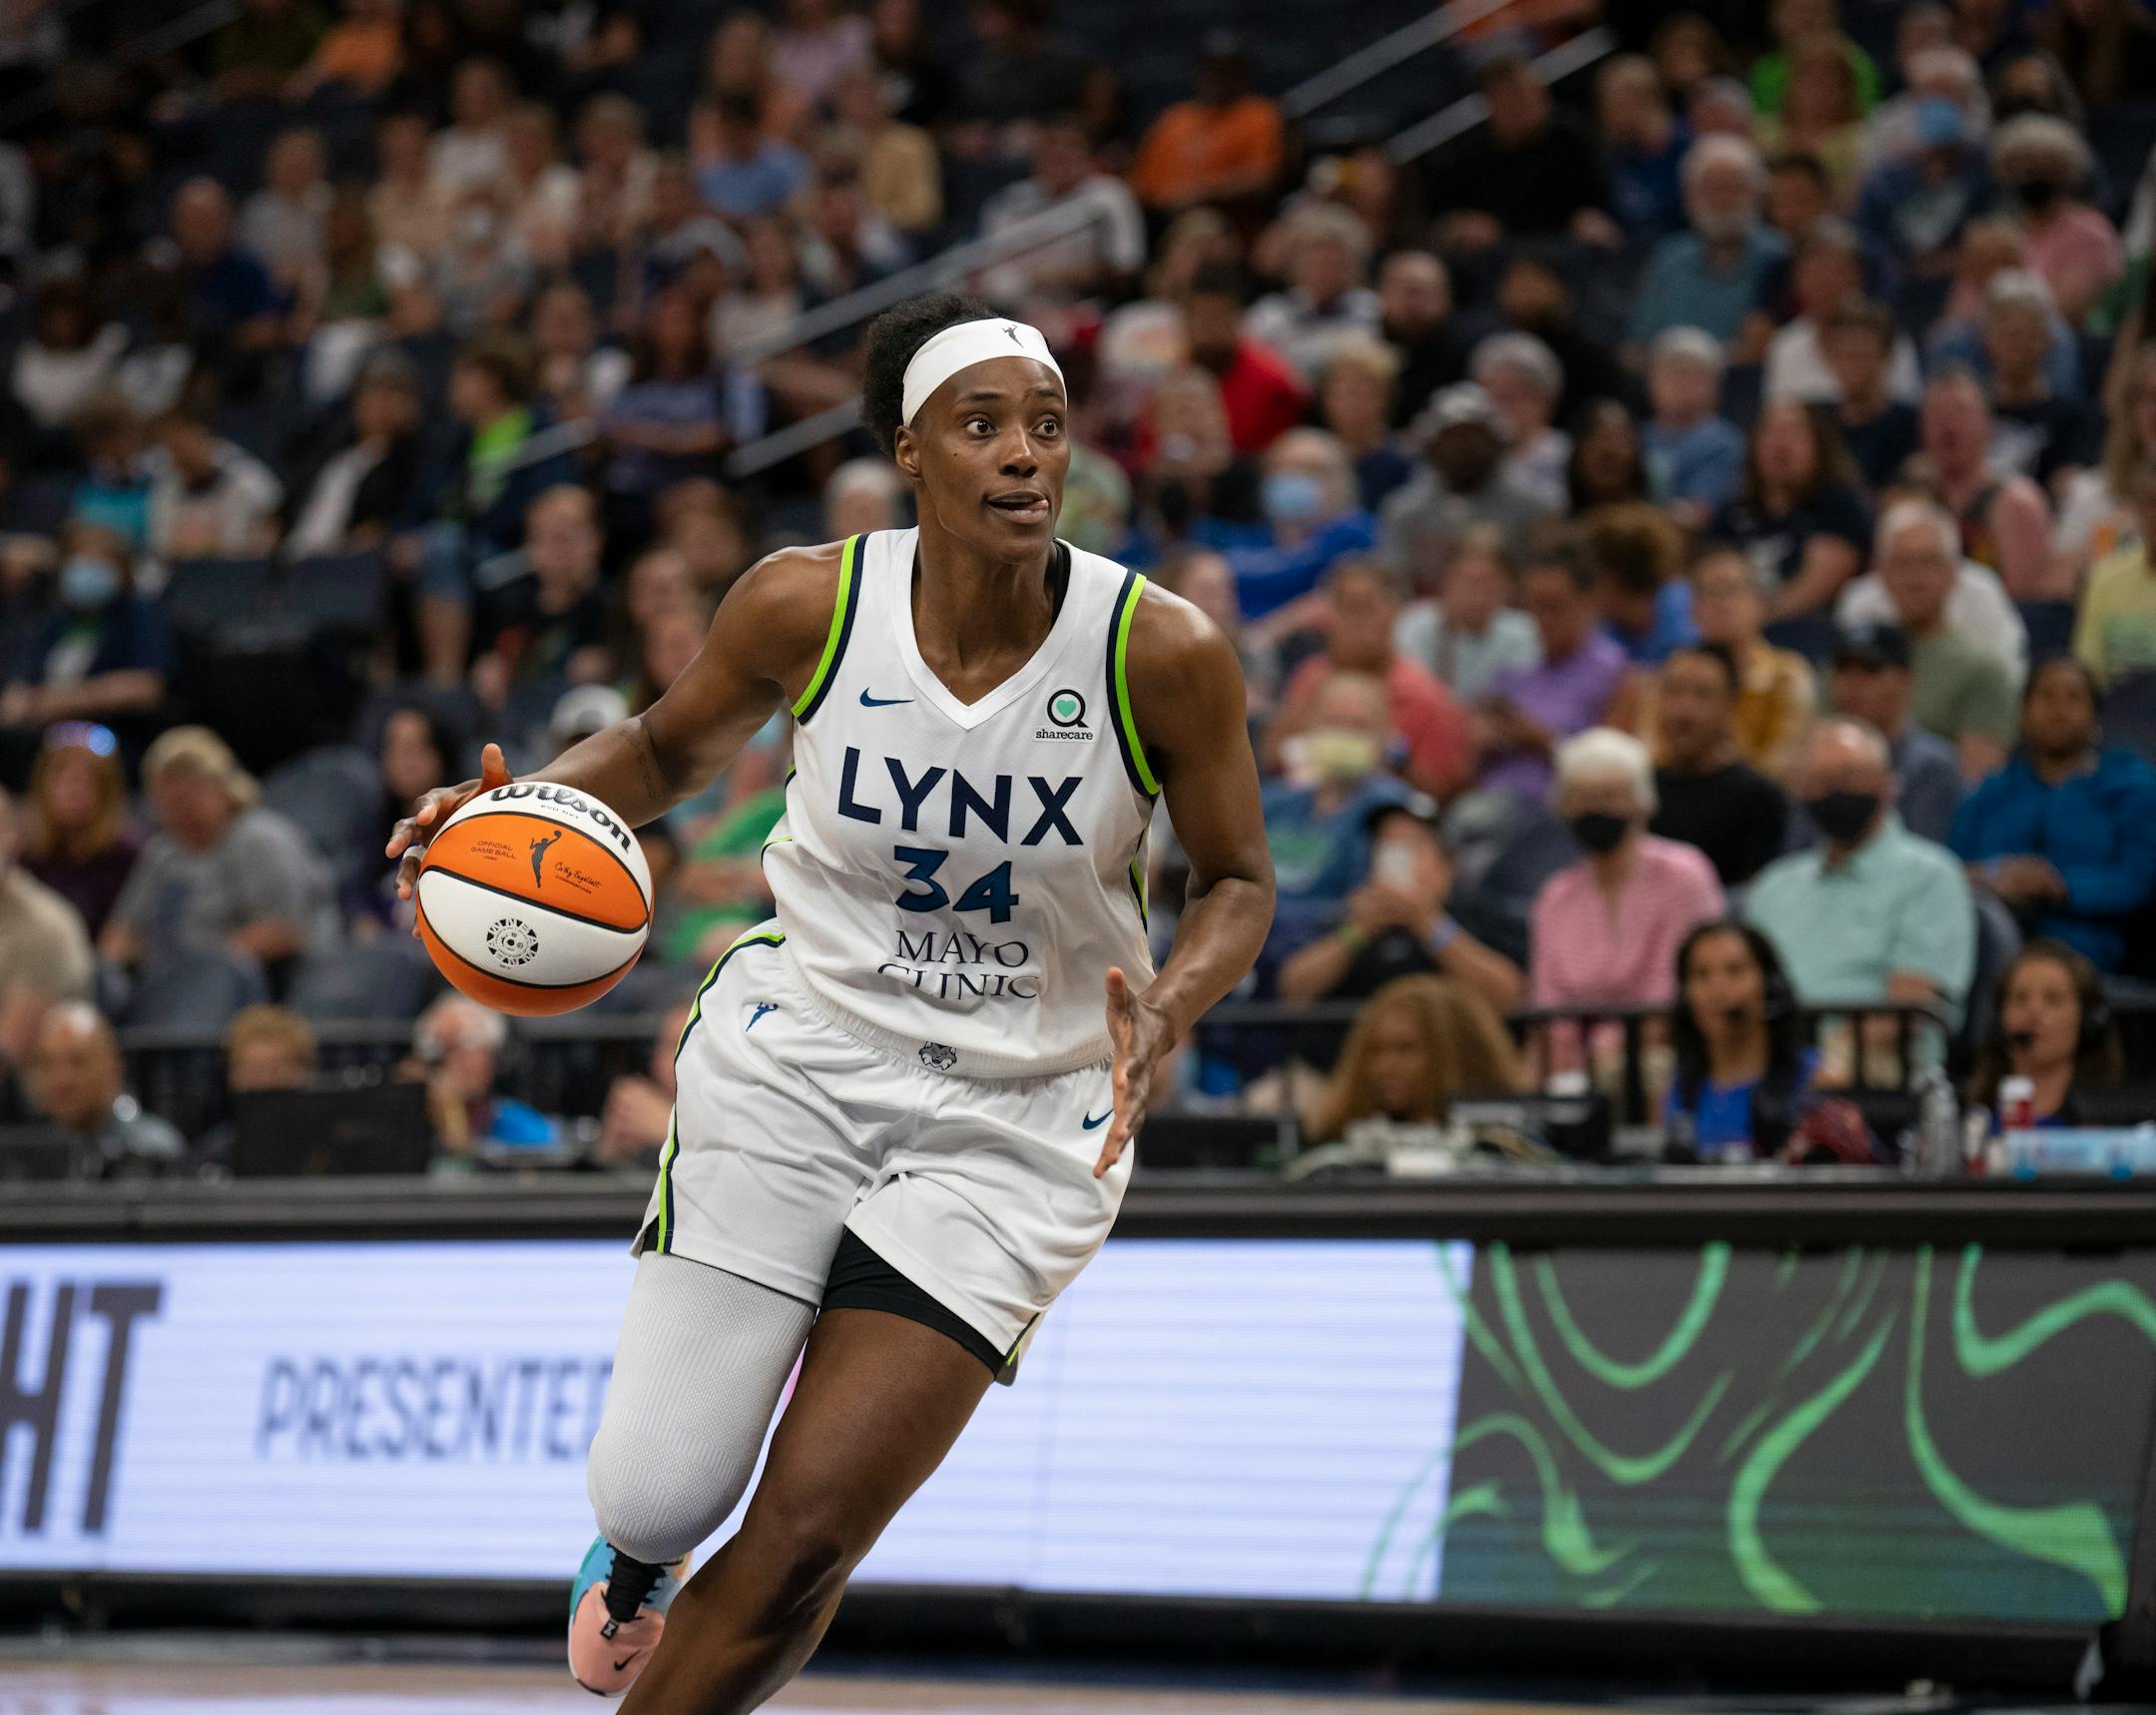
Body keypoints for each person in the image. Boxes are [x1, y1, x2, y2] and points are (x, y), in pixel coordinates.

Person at [385, 291, 1274, 1703]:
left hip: (1022, 1114)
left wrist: (1168, 1002)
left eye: (1044, 426)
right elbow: (671, 749)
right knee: (664, 1486)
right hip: (800, 1059)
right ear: (908, 450)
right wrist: (512, 812)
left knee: (806, 1540)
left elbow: (1238, 879)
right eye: (980, 425)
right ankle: (635, 1552)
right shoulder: (809, 600)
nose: (1023, 455)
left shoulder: (1158, 649)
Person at [1746, 719, 1977, 1037]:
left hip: (1877, 1073)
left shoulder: (1931, 876)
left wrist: (1825, 1070)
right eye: (1820, 782)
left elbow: (1911, 1007)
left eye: (1850, 777)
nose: (1835, 792)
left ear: (1888, 784)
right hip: (1777, 1068)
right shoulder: (1773, 887)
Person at [1950, 657, 2156, 974]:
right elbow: (1949, 868)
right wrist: (1994, 875)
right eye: (2046, 695)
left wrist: (2056, 885)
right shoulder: (1995, 790)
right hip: (1986, 937)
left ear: (2096, 716)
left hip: (2089, 946)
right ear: (2023, 713)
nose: (2059, 709)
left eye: (2074, 697)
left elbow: (2139, 878)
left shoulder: (2131, 786)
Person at [1529, 728, 1725, 1052]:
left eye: (1609, 796)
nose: (1595, 809)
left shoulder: (1684, 876)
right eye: (1582, 797)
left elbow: (1674, 991)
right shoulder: (1556, 895)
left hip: (1668, 1052)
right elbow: (1549, 1005)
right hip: (1572, 1066)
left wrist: (1608, 1055)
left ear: (1640, 802)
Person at [100, 727, 338, 977]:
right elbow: (122, 932)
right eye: (167, 798)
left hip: (266, 980)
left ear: (223, 788)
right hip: (172, 984)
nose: (179, 809)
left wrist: (203, 969)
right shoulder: (163, 852)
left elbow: (286, 931)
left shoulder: (259, 839)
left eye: (189, 796)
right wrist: (108, 969)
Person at [1276, 793, 1522, 1016]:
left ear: (1448, 865)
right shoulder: (1350, 921)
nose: (1397, 858)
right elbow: (1293, 990)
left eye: (1413, 846)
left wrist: (1430, 925)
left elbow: (1511, 997)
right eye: (1387, 845)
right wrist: (1359, 930)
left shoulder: (1475, 917)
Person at [1266, 560, 1471, 801]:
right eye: (1345, 609)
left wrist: (1385, 768)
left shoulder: (1425, 696)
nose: (1355, 623)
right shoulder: (1310, 677)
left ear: (1394, 613)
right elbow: (1273, 759)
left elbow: (1442, 791)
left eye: (1364, 609)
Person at [1866, 498, 2018, 780]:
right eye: (1902, 563)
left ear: (1953, 574)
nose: (1915, 579)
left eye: (1929, 563)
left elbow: (1977, 783)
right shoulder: (1854, 661)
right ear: (1882, 575)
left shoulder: (1983, 670)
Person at [1478, 542, 1632, 803]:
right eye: (1534, 606)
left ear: (1588, 602)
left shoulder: (1615, 673)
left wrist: (1545, 741)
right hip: (1491, 799)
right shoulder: (1513, 663)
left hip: (1561, 811)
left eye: (1554, 607)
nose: (1542, 619)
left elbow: (1613, 770)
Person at [1664, 918, 1824, 1162]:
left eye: (1734, 971)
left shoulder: (1815, 1078)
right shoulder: (1680, 1090)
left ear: (1771, 987)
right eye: (1701, 975)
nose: (1717, 988)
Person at [1302, 973, 1522, 1145]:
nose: (1386, 1067)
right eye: (1375, 1050)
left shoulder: (1508, 1148)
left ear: (1456, 1052)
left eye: (1405, 1049)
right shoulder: (1332, 1153)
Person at [1710, 397, 1873, 618]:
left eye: (1793, 432)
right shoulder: (1732, 513)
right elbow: (1705, 577)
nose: (1781, 444)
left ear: (1819, 445)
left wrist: (1749, 620)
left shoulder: (1839, 505)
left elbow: (1816, 587)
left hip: (1808, 632)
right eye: (1770, 432)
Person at [1378, 382, 1553, 588]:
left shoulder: (1535, 508)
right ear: (1432, 447)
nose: (1462, 448)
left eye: (1473, 437)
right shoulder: (1404, 511)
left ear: (1496, 443)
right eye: (1451, 438)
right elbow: (1394, 586)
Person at [1646, 644, 1791, 887]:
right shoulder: (1640, 794)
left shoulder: (1759, 799)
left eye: (1702, 694)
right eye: (1673, 692)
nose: (1684, 711)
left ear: (1731, 705)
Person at [1627, 135, 1788, 351]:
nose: (1723, 200)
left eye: (1734, 188)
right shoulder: (1668, 258)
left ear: (1757, 195)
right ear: (1689, 196)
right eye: (1712, 188)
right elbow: (1638, 343)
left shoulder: (1780, 255)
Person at [1908, 369, 2055, 601]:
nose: (1948, 424)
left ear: (1988, 425)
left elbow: (2024, 600)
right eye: (1937, 414)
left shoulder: (2015, 501)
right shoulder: (1909, 498)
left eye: (1960, 412)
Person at [1824, 621, 1967, 843]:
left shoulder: (1932, 767)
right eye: (1844, 670)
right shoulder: (1818, 764)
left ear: (1906, 681)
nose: (1853, 684)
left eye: (1871, 670)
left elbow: (1923, 857)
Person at [1218, 427, 1377, 620]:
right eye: (1280, 467)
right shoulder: (1243, 542)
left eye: (1310, 469)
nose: (1292, 477)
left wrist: (1265, 635)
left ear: (1342, 482)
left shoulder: (1357, 535)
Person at [1965, 939, 2123, 1128]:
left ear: (2088, 1020)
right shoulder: (1968, 1112)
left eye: (2053, 999)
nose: (2034, 1012)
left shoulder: (2112, 1117)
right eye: (2020, 998)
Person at [26, 1002, 186, 1180]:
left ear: (114, 1070)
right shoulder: (28, 1153)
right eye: (47, 1064)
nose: (61, 1080)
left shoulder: (151, 1150)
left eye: (78, 1062)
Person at [18, 722, 142, 938]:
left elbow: (127, 941)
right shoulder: (25, 856)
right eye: (64, 779)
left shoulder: (129, 857)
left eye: (86, 781)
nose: (74, 790)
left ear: (107, 791)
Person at [1391, 527, 1540, 706]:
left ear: (1507, 588)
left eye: (1487, 583)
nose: (1476, 594)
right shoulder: (1414, 622)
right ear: (1444, 582)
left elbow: (1521, 698)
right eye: (1466, 582)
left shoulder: (1526, 630)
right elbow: (1408, 687)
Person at [1644, 327, 1745, 529]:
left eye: (1694, 376)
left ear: (1715, 388)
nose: (1682, 385)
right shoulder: (1637, 435)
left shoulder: (1723, 442)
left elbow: (1700, 512)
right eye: (1674, 373)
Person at [2073, 456, 2156, 689]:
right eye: (2153, 502)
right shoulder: (2105, 577)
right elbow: (2088, 671)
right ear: (2138, 507)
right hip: (2117, 716)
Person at [1823, 299, 1921, 488]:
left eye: (1864, 355)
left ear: (1886, 358)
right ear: (1832, 360)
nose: (1855, 366)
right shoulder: (1819, 425)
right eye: (1848, 355)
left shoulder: (1910, 425)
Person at [596, 999, 698, 1171]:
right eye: (665, 1047)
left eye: (683, 1046)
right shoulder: (636, 1109)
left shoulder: (740, 1120)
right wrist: (609, 1150)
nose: (662, 1062)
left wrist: (672, 1130)